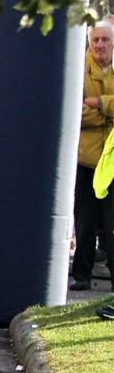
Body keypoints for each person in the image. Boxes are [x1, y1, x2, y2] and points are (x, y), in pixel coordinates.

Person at [74, 24, 114, 291]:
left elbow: (87, 106)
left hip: (111, 161)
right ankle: (82, 275)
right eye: (95, 40)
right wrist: (108, 114)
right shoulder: (79, 70)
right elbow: (74, 111)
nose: (100, 45)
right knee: (85, 222)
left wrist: (98, 102)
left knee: (111, 224)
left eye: (105, 40)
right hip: (86, 159)